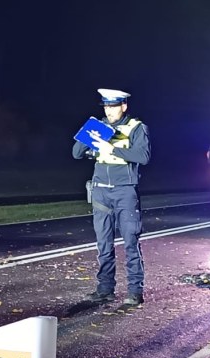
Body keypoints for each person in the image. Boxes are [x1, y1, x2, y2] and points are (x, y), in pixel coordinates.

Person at [73, 88, 151, 306]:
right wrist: (86, 130)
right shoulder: (99, 126)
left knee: (130, 242)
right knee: (103, 244)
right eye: (106, 106)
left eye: (113, 106)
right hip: (100, 191)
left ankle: (135, 292)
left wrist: (112, 147)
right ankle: (105, 289)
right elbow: (76, 153)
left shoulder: (135, 127)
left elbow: (143, 156)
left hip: (124, 191)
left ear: (123, 106)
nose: (109, 111)